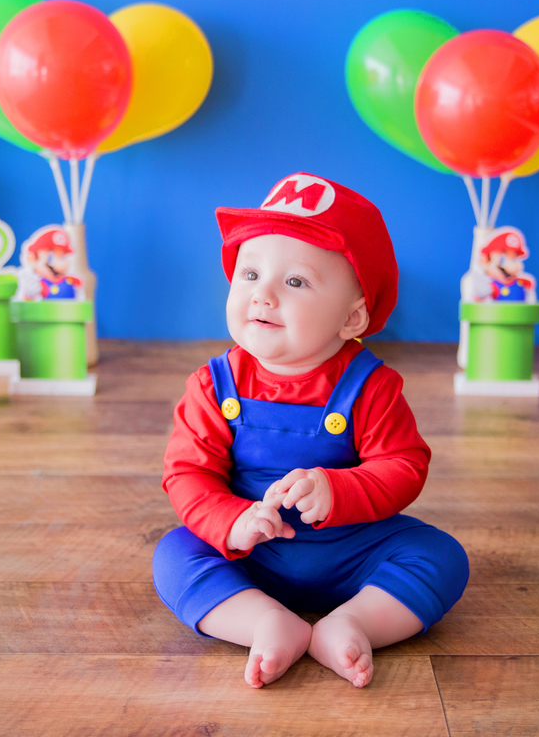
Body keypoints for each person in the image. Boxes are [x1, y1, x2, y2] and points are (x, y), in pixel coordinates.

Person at [153, 172, 469, 689]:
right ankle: (264, 621)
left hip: (353, 548)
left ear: (352, 317)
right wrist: (233, 522)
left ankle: (353, 621)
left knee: (442, 557)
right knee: (174, 554)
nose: (263, 295)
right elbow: (188, 473)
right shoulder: (213, 386)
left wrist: (339, 488)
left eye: (295, 282)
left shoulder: (371, 386)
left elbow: (405, 466)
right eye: (250, 274)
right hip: (254, 554)